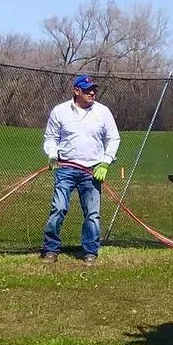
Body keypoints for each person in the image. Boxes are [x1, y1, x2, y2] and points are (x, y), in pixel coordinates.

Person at [40, 74, 120, 263]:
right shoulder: (60, 111)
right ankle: (51, 248)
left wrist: (106, 162)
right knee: (58, 208)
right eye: (87, 90)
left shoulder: (103, 112)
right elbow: (50, 137)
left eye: (94, 89)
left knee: (92, 214)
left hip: (92, 171)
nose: (92, 92)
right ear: (77, 91)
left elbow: (113, 138)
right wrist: (52, 155)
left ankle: (90, 251)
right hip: (65, 168)